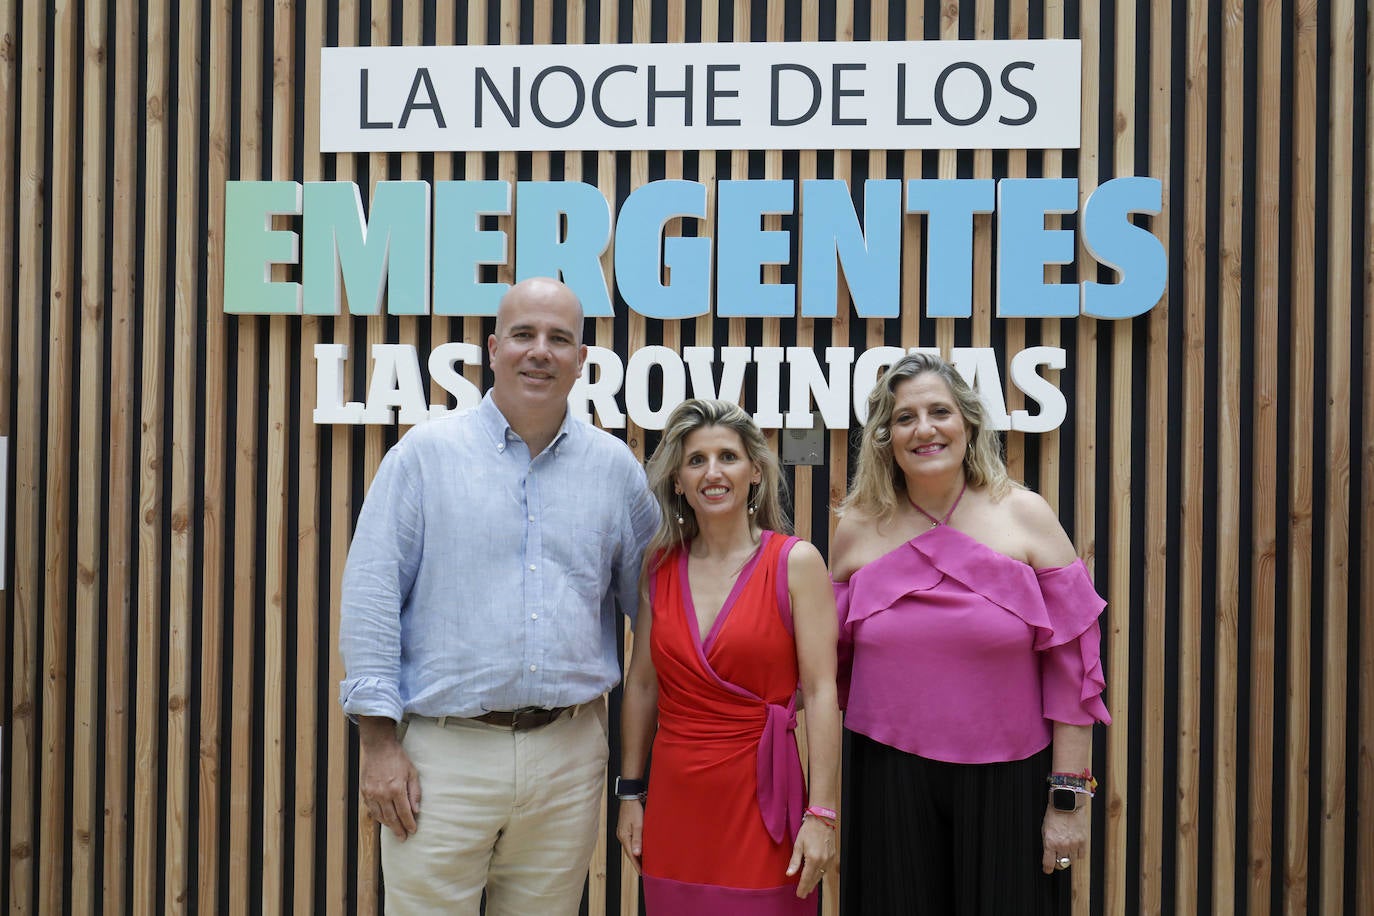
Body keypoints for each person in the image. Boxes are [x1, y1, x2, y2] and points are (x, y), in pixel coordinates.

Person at [337, 277, 659, 915]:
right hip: (441, 758)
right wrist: (377, 745)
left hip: (568, 756)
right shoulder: (424, 457)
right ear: (493, 348)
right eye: (524, 335)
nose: (540, 351)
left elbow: (658, 603)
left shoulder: (615, 469)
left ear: (581, 361)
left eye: (559, 339)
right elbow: (372, 598)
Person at [829, 352, 1111, 915]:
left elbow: (1074, 669)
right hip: (886, 779)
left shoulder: (1025, 515)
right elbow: (826, 665)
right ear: (885, 437)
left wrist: (1068, 800)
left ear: (969, 423)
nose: (924, 429)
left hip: (1011, 782)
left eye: (940, 411)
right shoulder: (856, 526)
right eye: (905, 418)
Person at [615, 399, 842, 914]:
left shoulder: (796, 562)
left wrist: (822, 814)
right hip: (676, 806)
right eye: (696, 460)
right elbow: (643, 685)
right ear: (677, 480)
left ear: (755, 472)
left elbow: (823, 690)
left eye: (728, 457)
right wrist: (630, 794)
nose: (712, 472)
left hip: (763, 806)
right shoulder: (658, 568)